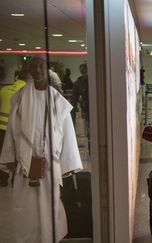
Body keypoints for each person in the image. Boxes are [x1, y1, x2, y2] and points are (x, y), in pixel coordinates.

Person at [0, 54, 83, 243]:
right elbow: (12, 129)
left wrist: (67, 166)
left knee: (50, 207)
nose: (37, 70)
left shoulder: (57, 101)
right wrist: (11, 157)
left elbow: (68, 134)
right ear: (30, 70)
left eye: (40, 66)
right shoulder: (19, 97)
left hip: (49, 166)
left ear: (48, 69)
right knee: (25, 208)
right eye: (33, 66)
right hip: (25, 167)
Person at [0, 69, 31, 186]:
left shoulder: (4, 89)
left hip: (1, 128)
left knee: (3, 153)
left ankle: (2, 180)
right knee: (16, 154)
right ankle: (15, 179)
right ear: (28, 79)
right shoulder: (25, 91)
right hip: (16, 129)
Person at [70, 63, 89, 132]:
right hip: (87, 109)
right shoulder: (79, 83)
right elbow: (73, 102)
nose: (84, 73)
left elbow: (73, 102)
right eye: (83, 71)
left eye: (85, 71)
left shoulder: (97, 80)